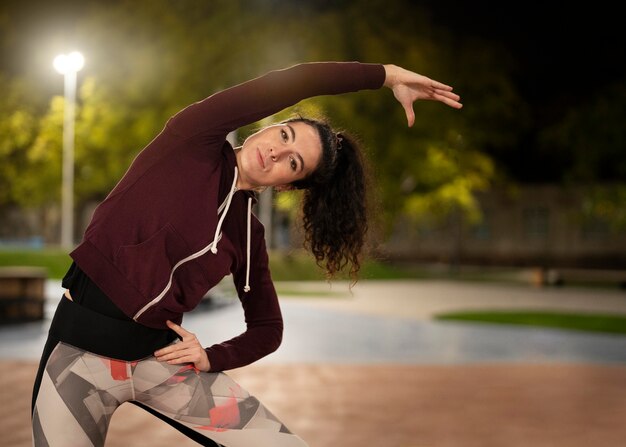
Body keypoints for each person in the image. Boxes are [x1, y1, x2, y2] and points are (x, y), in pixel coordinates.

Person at [31, 61, 461, 447]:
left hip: (157, 363)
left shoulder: (248, 234)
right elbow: (291, 82)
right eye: (285, 136)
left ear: (289, 186)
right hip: (77, 356)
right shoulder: (192, 140)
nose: (276, 152)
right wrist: (384, 75)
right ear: (271, 124)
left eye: (293, 164)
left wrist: (212, 357)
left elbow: (268, 328)